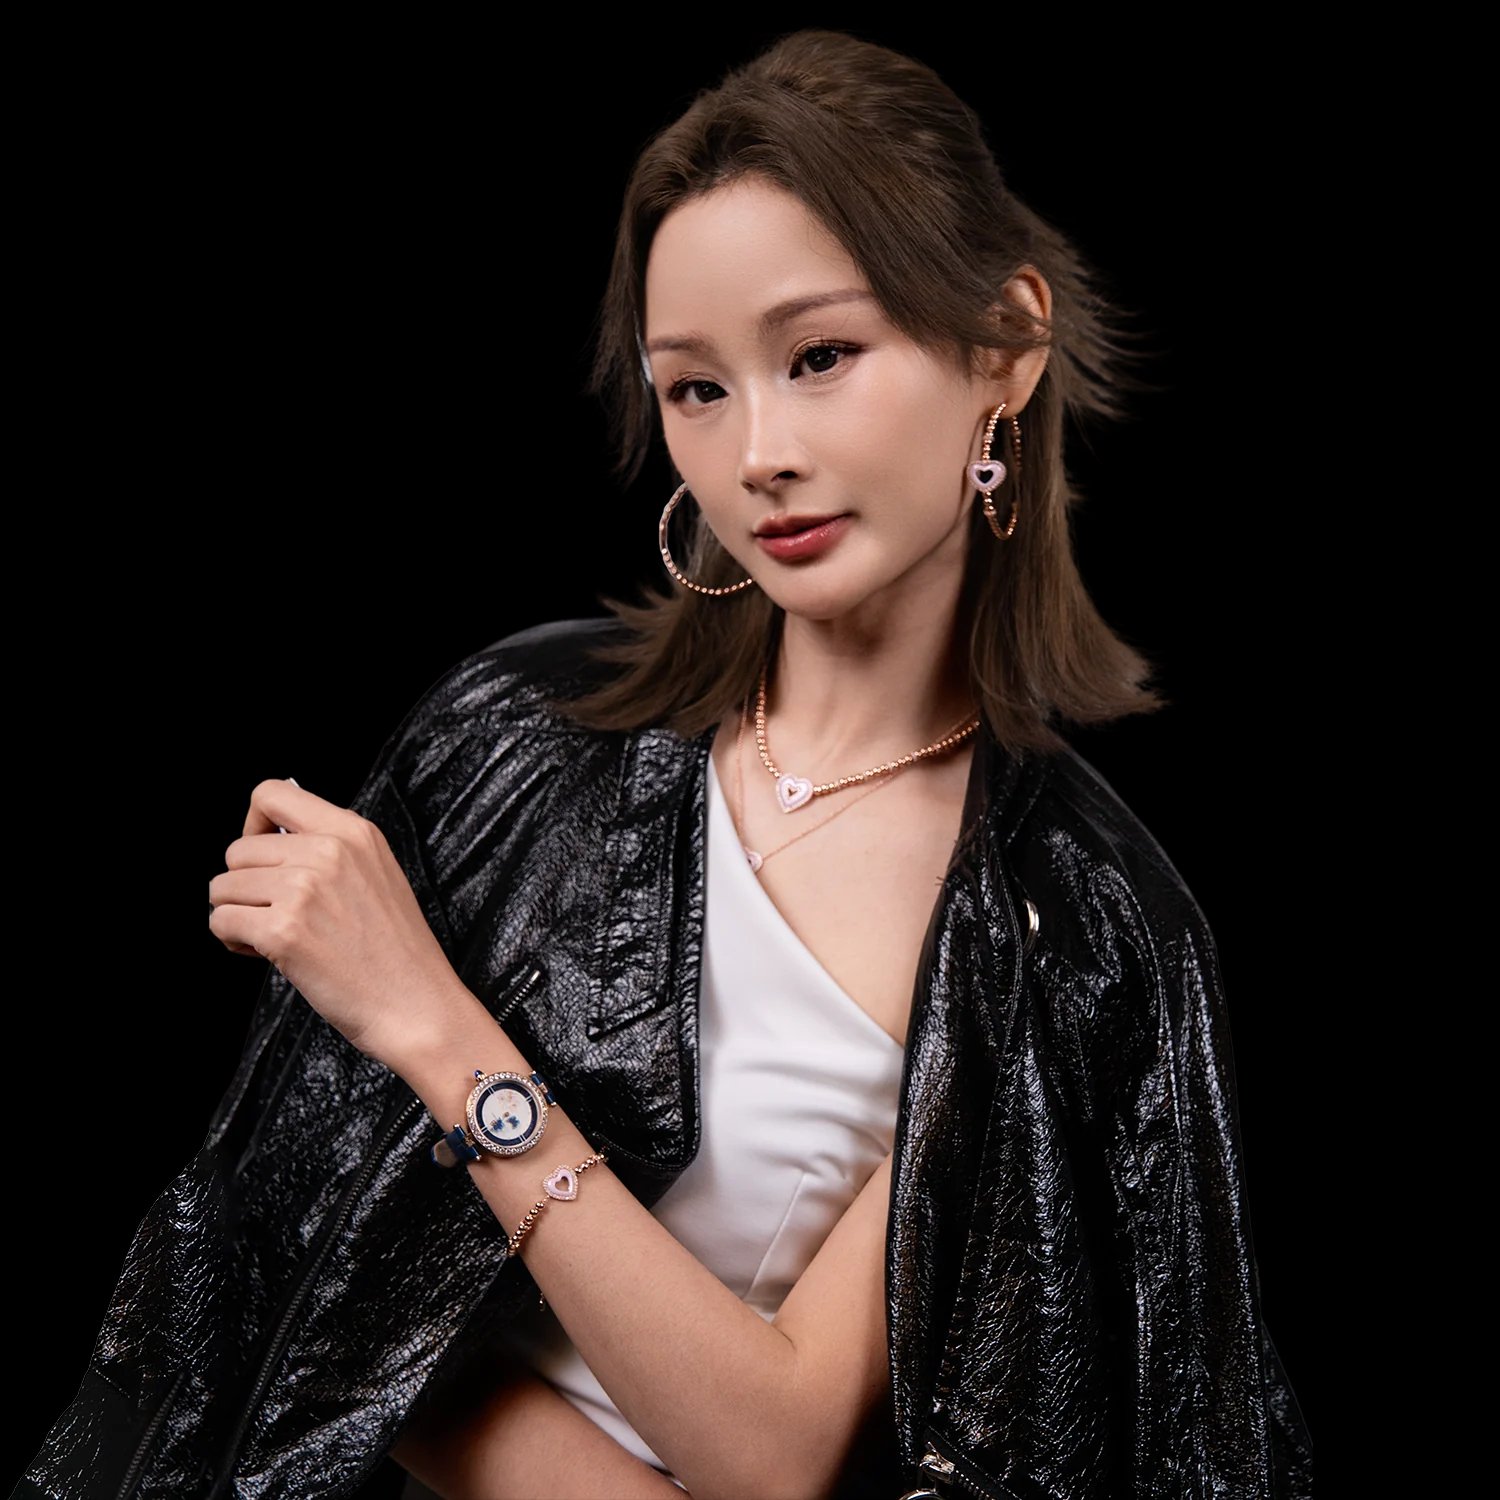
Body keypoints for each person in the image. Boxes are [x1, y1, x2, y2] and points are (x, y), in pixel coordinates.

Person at [16, 29, 1311, 1500]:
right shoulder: (516, 741)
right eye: (697, 388)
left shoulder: (1070, 935)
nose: (759, 454)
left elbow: (775, 1451)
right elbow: (280, 1283)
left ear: (1004, 346)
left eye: (820, 357)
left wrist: (439, 1034)